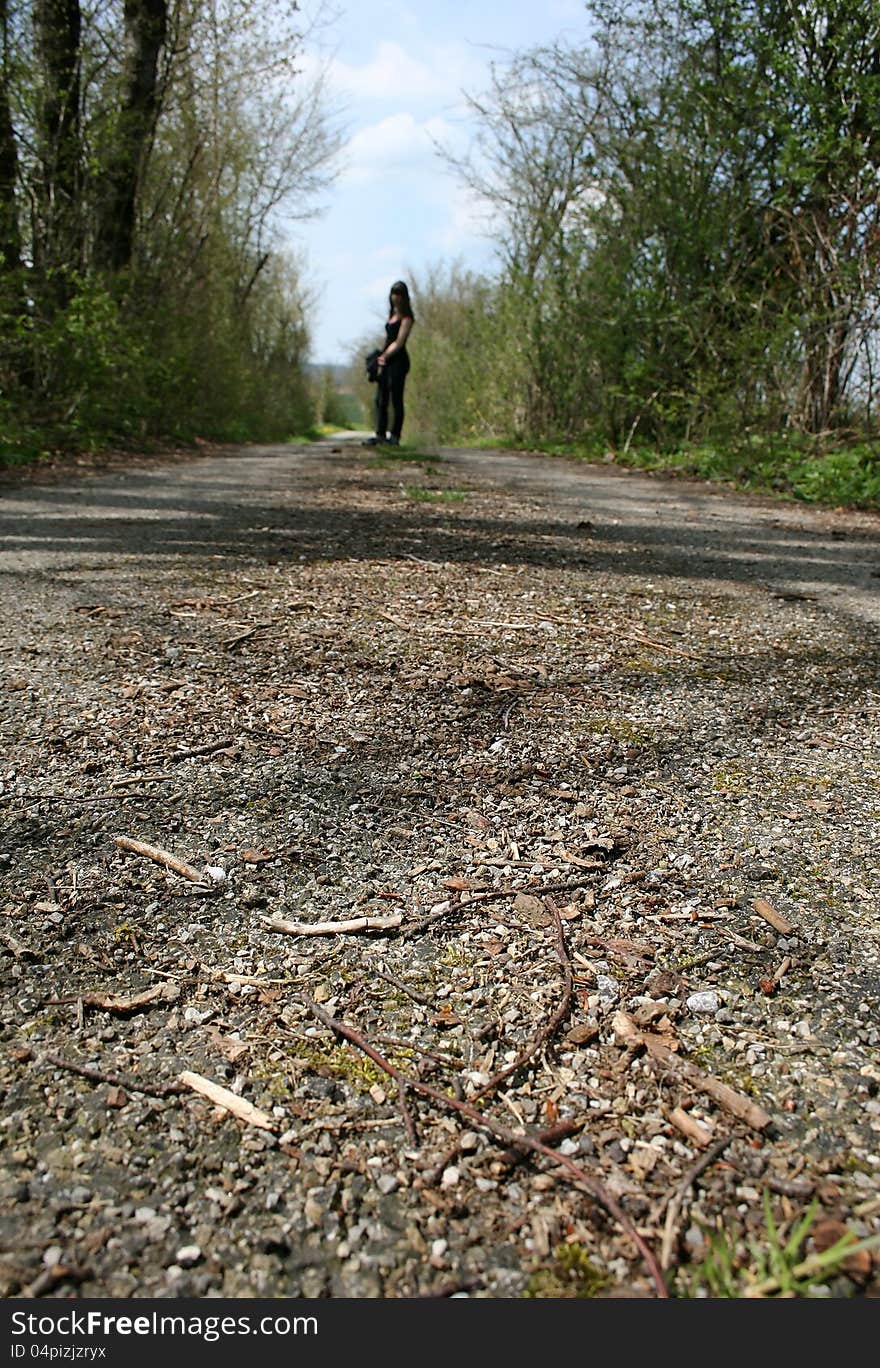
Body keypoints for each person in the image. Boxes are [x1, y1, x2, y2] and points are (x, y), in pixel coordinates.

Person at [363, 281, 414, 446]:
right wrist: (379, 357)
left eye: (399, 294)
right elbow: (388, 339)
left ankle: (395, 436)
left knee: (396, 399)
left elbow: (399, 342)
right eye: (393, 293)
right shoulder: (392, 316)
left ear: (404, 297)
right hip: (386, 362)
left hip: (398, 361)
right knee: (380, 399)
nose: (395, 297)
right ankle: (380, 434)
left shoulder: (407, 318)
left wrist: (385, 355)